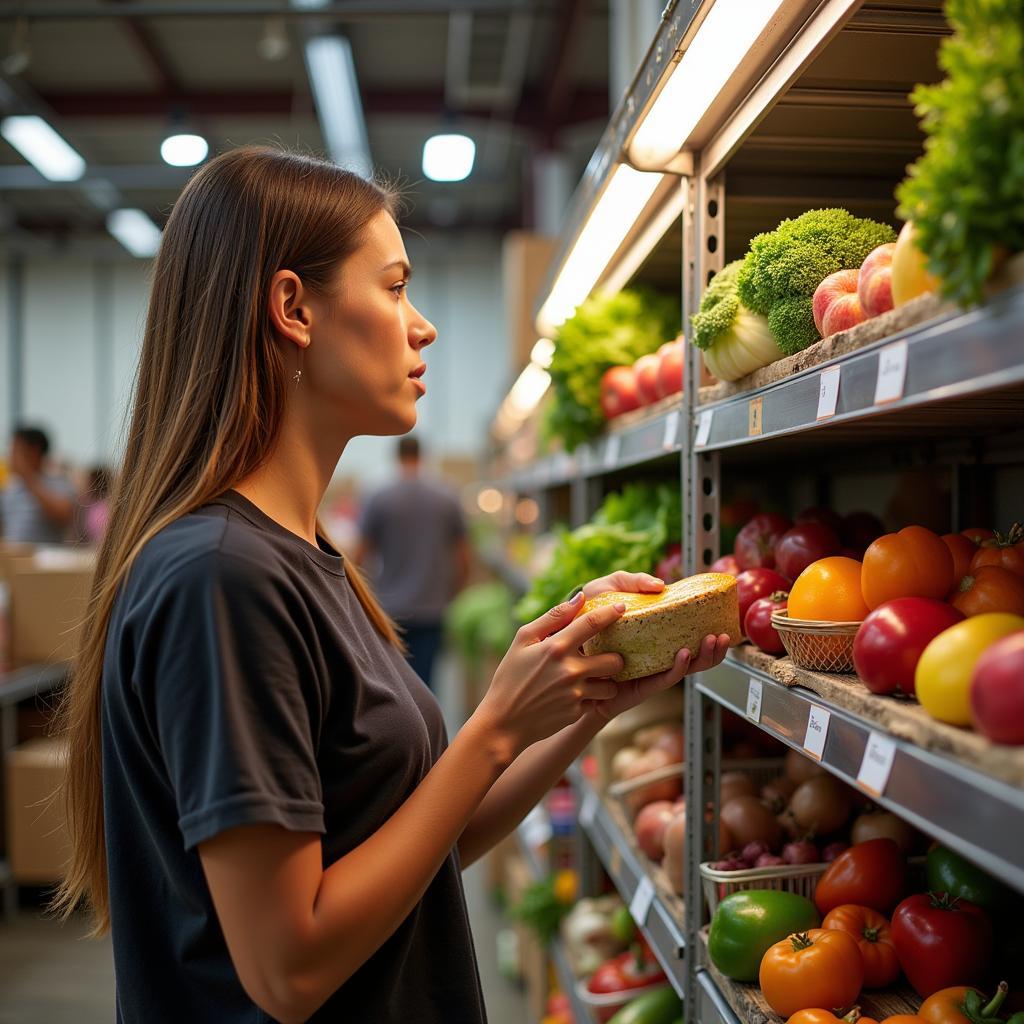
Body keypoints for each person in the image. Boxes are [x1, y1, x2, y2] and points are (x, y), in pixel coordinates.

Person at [53, 147, 730, 1024]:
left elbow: (430, 843)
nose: (424, 326)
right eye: (396, 286)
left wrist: (587, 705)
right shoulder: (221, 577)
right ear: (293, 308)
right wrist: (490, 730)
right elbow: (288, 971)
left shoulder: (301, 556)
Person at [357, 435, 470, 690]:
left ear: (397, 456)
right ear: (422, 455)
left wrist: (366, 596)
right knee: (426, 684)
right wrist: (454, 591)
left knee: (392, 685)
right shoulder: (447, 496)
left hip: (390, 607)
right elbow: (463, 555)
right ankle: (428, 729)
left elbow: (360, 556)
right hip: (433, 605)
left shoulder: (378, 497)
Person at [1, 425, 76, 544]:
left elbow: (64, 515)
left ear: (34, 451)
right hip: (14, 560)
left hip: (47, 560)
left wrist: (27, 476)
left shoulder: (59, 483)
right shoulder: (10, 490)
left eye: (15, 450)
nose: (10, 456)